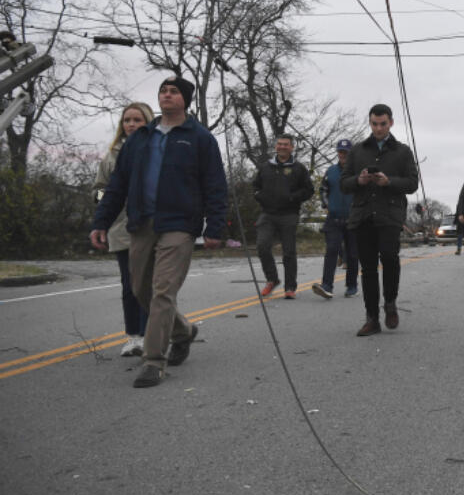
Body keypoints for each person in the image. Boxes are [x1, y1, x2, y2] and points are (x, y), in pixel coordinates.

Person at [89, 76, 227, 388]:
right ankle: (183, 332)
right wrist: (100, 222)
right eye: (163, 91)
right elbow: (117, 185)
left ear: (185, 100)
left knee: (163, 290)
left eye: (173, 91)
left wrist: (215, 226)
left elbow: (216, 187)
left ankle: (153, 361)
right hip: (142, 223)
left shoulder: (200, 138)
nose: (166, 95)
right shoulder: (141, 138)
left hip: (180, 223)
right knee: (141, 290)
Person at [341, 103, 419, 336]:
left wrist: (389, 182)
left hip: (390, 215)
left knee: (389, 258)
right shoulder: (357, 151)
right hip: (363, 215)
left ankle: (390, 303)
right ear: (370, 123)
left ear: (391, 123)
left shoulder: (403, 151)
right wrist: (360, 181)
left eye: (383, 124)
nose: (378, 128)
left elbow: (412, 183)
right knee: (368, 268)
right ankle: (372, 318)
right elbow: (344, 184)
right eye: (374, 124)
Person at [91, 101, 154, 357]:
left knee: (150, 286)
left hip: (151, 226)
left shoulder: (156, 149)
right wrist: (107, 204)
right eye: (127, 120)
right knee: (130, 286)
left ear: (147, 123)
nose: (131, 125)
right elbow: (98, 191)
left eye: (137, 120)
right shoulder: (112, 156)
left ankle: (155, 334)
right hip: (121, 228)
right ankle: (134, 337)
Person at [254, 134, 314, 299]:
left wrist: (292, 197)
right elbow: (255, 186)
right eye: (279, 144)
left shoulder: (298, 168)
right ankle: (272, 279)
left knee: (288, 252)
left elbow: (309, 190)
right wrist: (260, 196)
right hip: (268, 214)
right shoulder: (266, 167)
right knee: (262, 246)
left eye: (286, 145)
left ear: (292, 147)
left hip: (289, 214)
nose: (282, 147)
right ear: (276, 146)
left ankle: (290, 287)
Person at [313, 138, 358, 299]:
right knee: (331, 250)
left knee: (352, 254)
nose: (343, 154)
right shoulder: (330, 171)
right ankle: (326, 285)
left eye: (346, 152)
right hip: (334, 218)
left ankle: (351, 285)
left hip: (353, 218)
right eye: (340, 151)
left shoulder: (359, 172)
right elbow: (323, 190)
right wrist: (327, 205)